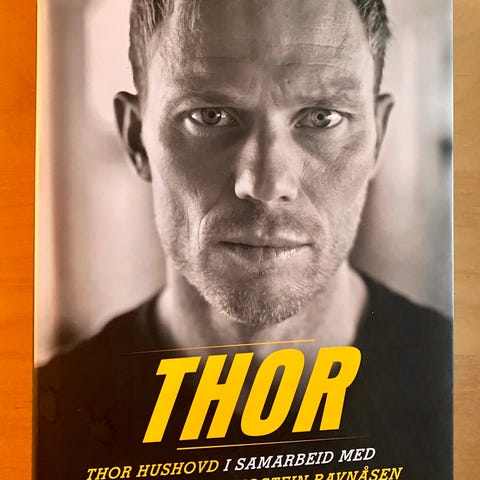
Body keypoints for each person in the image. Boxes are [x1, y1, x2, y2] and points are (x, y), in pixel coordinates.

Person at [36, 1, 452, 479]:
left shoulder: (462, 401)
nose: (266, 182)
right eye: (210, 115)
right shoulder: (41, 436)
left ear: (377, 139)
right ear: (136, 139)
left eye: (322, 117)